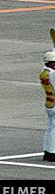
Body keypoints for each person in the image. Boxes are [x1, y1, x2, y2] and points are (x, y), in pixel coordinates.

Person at [44, 31, 55, 162]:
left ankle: (47, 150)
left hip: (49, 103)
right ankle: (52, 152)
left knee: (50, 128)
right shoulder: (53, 75)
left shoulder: (45, 71)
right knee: (54, 129)